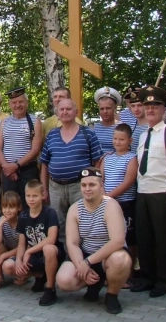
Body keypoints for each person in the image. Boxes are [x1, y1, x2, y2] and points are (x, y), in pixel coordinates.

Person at [130, 86, 166, 297]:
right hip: (143, 192)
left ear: (163, 109)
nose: (150, 109)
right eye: (147, 106)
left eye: (155, 106)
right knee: (144, 237)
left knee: (162, 239)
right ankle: (147, 277)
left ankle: (162, 281)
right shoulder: (143, 136)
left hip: (162, 192)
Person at [56, 168, 131, 315]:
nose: (87, 189)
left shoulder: (111, 205)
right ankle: (94, 283)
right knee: (64, 280)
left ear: (101, 185)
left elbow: (117, 241)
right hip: (86, 254)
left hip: (108, 256)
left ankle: (112, 295)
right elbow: (72, 243)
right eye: (84, 185)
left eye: (92, 185)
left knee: (120, 260)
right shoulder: (75, 209)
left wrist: (88, 263)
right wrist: (80, 265)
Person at [40, 98, 103, 232]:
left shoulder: (88, 133)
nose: (64, 112)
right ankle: (63, 252)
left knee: (82, 221)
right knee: (57, 224)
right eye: (61, 109)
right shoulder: (51, 135)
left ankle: (81, 252)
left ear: (76, 112)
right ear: (57, 113)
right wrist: (44, 190)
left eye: (68, 109)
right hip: (55, 187)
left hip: (79, 186)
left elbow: (98, 162)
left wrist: (96, 185)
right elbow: (44, 164)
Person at [3, 180, 65, 306]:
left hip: (52, 254)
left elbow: (51, 239)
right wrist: (19, 260)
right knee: (8, 266)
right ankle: (41, 275)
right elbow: (22, 243)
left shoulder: (50, 213)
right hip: (35, 256)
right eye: (28, 196)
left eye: (35, 196)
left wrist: (29, 251)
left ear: (42, 196)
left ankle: (50, 289)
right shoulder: (24, 216)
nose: (31, 199)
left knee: (49, 248)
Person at [97, 123, 138, 279]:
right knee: (110, 237)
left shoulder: (132, 158)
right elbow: (100, 178)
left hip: (125, 203)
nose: (117, 142)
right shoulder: (107, 157)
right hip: (107, 204)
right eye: (115, 138)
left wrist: (109, 196)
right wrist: (103, 195)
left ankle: (129, 272)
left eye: (121, 139)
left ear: (130, 141)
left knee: (129, 238)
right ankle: (111, 271)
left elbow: (128, 182)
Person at [0, 87, 43, 204]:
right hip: (7, 172)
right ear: (10, 105)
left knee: (30, 204)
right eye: (14, 103)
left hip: (27, 171)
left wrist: (16, 166)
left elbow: (35, 149)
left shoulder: (34, 121)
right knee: (9, 205)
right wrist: (8, 168)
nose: (18, 105)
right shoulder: (4, 122)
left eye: (21, 102)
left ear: (27, 103)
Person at [0, 191, 23, 290]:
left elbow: (23, 246)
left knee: (9, 265)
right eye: (5, 207)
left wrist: (5, 255)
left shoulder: (22, 221)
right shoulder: (0, 221)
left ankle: (24, 275)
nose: (7, 211)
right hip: (9, 249)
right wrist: (0, 225)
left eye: (11, 207)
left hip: (21, 252)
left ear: (19, 208)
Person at [93, 87, 121, 152]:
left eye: (108, 108)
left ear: (115, 108)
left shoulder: (122, 128)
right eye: (102, 109)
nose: (105, 111)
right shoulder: (93, 129)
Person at [123, 86, 148, 153]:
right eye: (133, 106)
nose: (136, 109)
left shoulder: (152, 126)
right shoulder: (132, 126)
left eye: (139, 105)